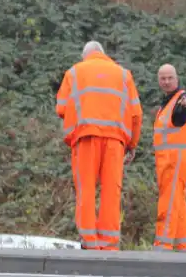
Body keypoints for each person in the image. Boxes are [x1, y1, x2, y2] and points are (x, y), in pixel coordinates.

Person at [55, 41, 143, 251]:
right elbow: (136, 115)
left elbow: (61, 108)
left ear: (86, 55)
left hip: (86, 138)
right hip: (115, 142)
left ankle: (90, 242)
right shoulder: (123, 75)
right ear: (103, 54)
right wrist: (132, 144)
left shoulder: (75, 72)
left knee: (86, 189)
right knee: (111, 191)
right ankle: (109, 243)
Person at [152, 64, 186, 252]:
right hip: (168, 160)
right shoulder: (166, 103)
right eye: (163, 78)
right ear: (159, 80)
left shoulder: (182, 98)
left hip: (176, 158)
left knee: (168, 204)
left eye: (170, 78)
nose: (167, 81)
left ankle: (163, 246)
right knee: (177, 204)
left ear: (177, 79)